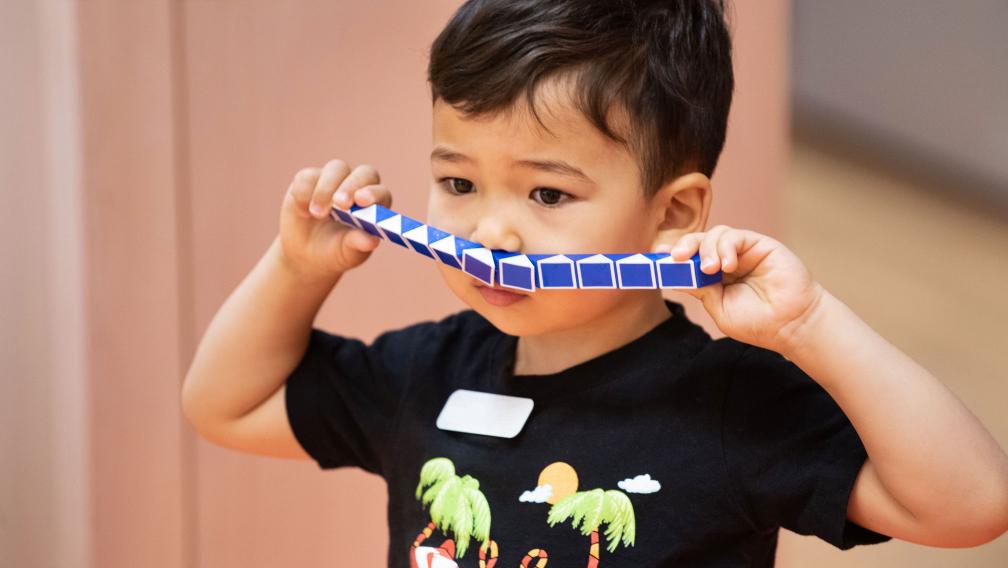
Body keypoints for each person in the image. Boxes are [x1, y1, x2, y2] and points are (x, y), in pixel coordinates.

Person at [181, 1, 1008, 566]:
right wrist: (297, 268)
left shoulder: (728, 405)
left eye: (548, 194)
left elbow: (969, 506)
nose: (489, 232)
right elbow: (226, 404)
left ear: (673, 211)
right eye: (459, 184)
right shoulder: (423, 374)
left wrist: (811, 324)